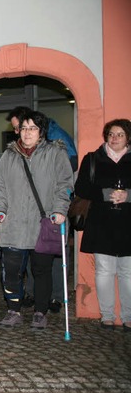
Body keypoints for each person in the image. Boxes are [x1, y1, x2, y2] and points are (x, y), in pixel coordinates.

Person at [0, 110, 73, 329]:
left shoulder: (55, 153)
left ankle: (40, 311)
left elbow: (64, 184)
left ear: (41, 131)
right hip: (13, 225)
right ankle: (13, 309)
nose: (27, 133)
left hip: (43, 223)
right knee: (11, 273)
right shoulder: (9, 155)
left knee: (41, 271)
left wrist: (60, 209)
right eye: (24, 128)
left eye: (33, 128)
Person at [74, 119, 131, 331]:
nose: (115, 138)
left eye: (120, 134)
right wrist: (106, 194)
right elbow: (81, 188)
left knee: (128, 271)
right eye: (111, 134)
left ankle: (128, 315)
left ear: (127, 138)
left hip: (127, 222)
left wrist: (128, 195)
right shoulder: (92, 159)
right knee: (104, 270)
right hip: (101, 221)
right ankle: (107, 314)